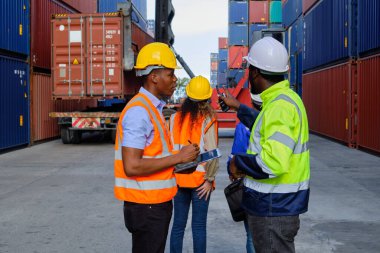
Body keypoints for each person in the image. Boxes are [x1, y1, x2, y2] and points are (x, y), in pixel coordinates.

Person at [220, 37, 310, 253]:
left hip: (273, 209)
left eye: (249, 68)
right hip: (279, 206)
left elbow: (272, 163)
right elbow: (266, 127)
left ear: (255, 72)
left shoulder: (279, 107)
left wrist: (237, 162)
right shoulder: (286, 99)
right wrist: (239, 108)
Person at [114, 42, 200, 253]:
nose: (175, 80)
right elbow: (132, 166)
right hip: (146, 206)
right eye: (170, 74)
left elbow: (154, 156)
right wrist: (178, 158)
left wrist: (179, 166)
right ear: (154, 77)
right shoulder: (139, 112)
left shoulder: (151, 109)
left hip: (152, 204)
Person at [169, 76, 219, 253]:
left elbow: (169, 151)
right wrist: (209, 179)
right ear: (206, 99)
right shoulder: (208, 120)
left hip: (178, 181)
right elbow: (212, 154)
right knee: (198, 227)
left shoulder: (174, 119)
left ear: (188, 97)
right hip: (200, 182)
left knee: (177, 227)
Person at [227, 122, 255, 253]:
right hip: (276, 189)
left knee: (251, 235)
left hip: (250, 187)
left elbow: (236, 156)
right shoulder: (276, 120)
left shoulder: (243, 125)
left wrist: (231, 170)